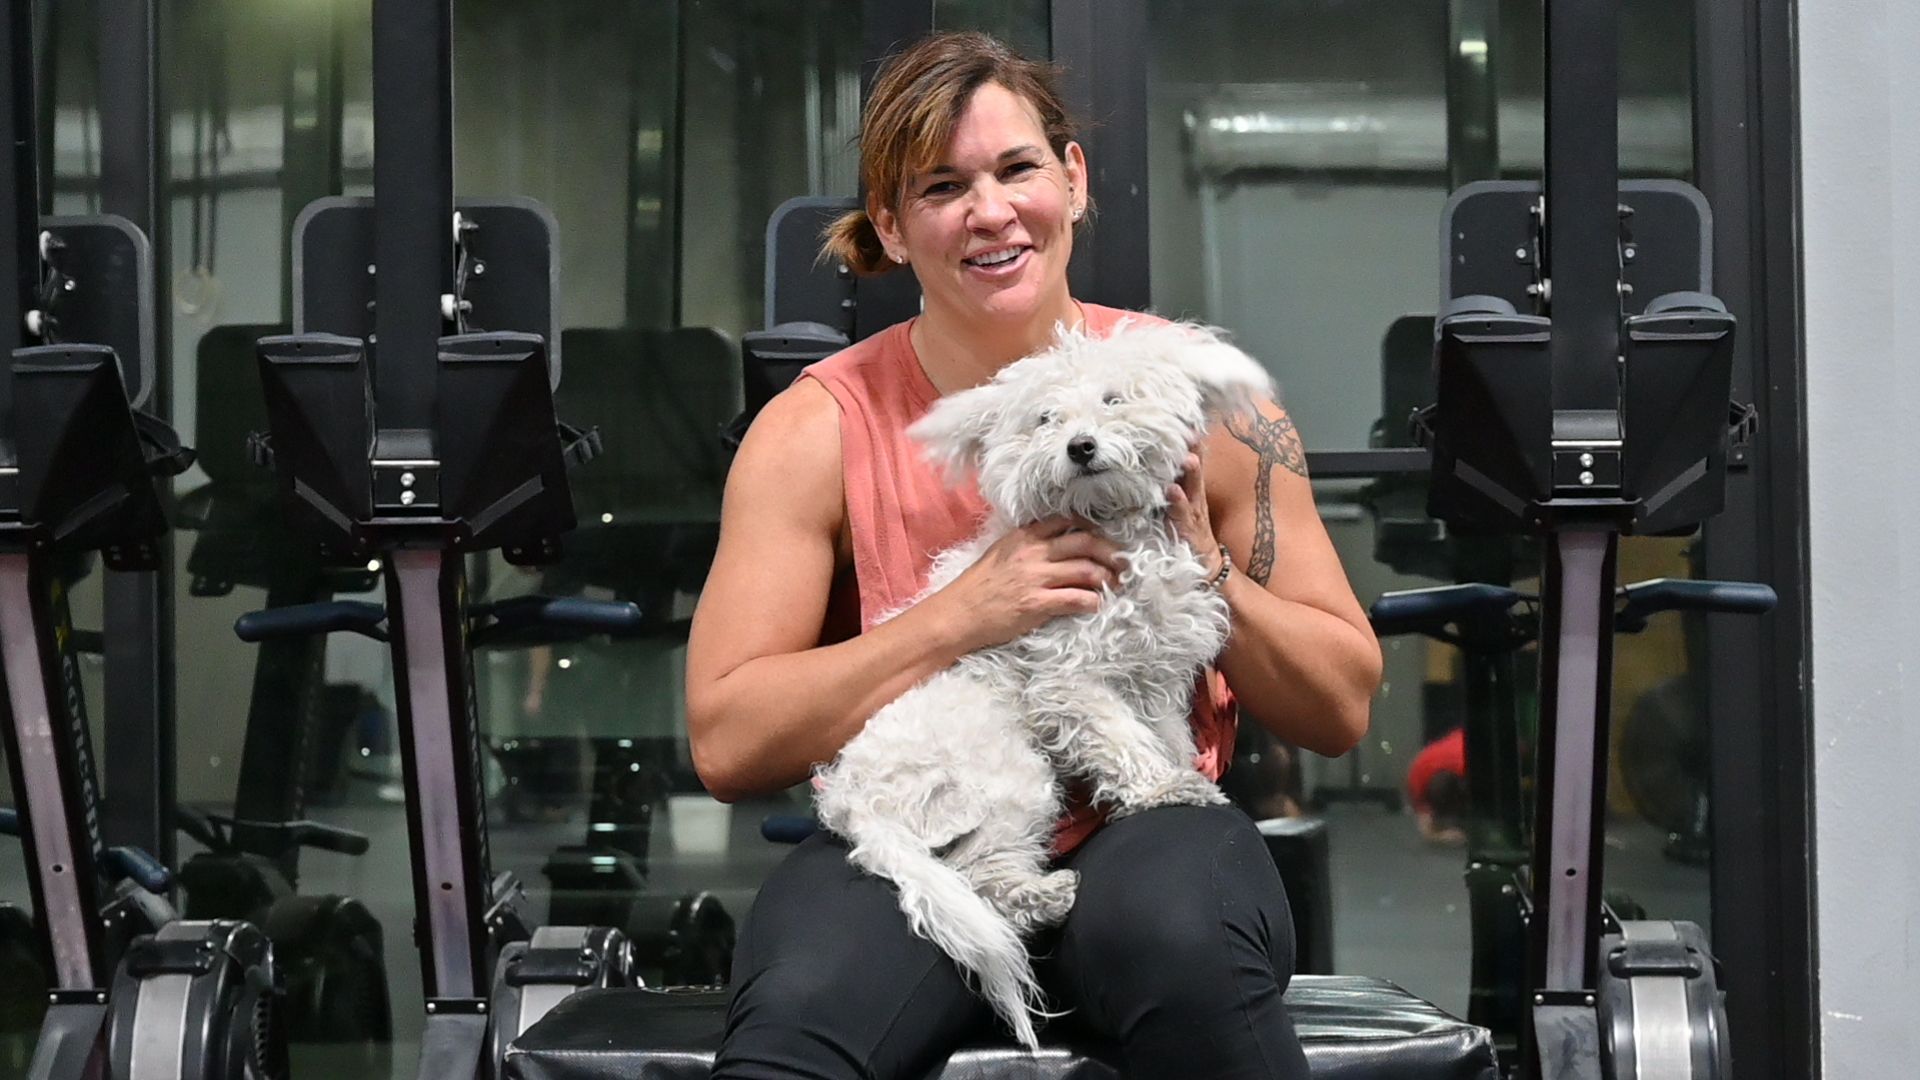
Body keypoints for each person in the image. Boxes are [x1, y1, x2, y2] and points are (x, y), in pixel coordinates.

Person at [684, 31, 1381, 1080]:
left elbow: (1339, 709)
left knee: (1184, 956)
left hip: (1148, 825)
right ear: (893, 224)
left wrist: (1209, 575)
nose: (991, 212)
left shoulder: (1206, 406)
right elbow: (730, 741)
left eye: (1017, 169)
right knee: (793, 1031)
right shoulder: (816, 429)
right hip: (934, 831)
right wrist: (963, 614)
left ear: (1074, 177)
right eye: (942, 187)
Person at [1406, 726, 1470, 846]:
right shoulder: (1417, 775)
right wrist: (1440, 836)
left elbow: (1426, 827)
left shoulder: (1417, 773)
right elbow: (1426, 826)